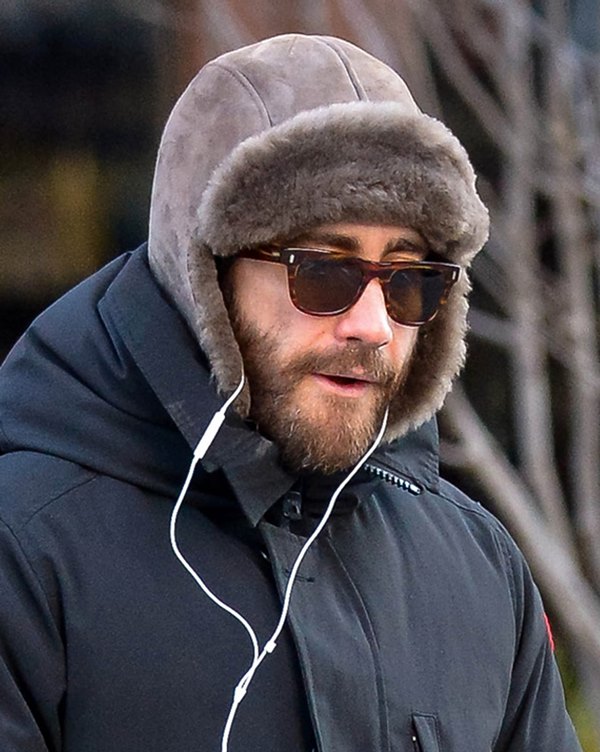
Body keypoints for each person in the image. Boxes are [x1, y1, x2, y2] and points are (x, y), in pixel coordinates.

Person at [0, 33, 581, 752]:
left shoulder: (477, 569)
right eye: (325, 271)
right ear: (204, 280)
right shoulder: (25, 552)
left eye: (409, 280)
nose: (373, 326)